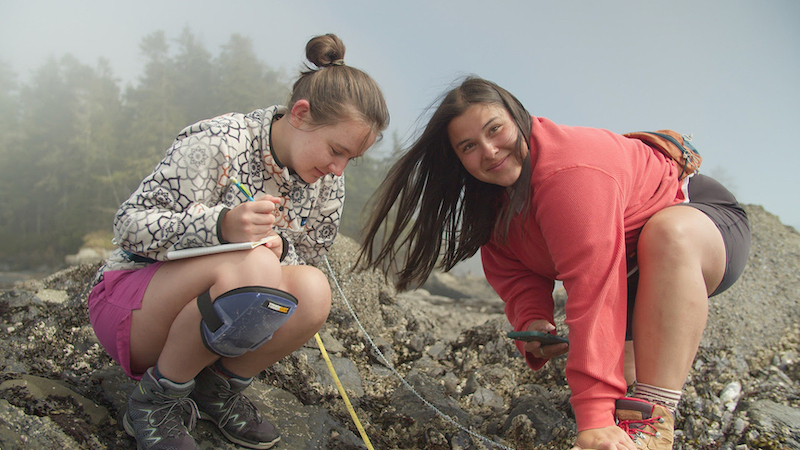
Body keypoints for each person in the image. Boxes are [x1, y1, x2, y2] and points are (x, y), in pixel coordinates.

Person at [358, 76, 749, 450]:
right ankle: (635, 415)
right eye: (468, 146)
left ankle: (655, 422)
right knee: (624, 395)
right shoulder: (491, 198)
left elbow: (594, 287)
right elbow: (514, 269)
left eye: (495, 130)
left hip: (697, 225)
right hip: (632, 274)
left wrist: (593, 419)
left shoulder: (569, 173)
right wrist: (532, 320)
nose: (489, 151)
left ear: (519, 116)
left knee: (666, 239)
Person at [87, 33, 389, 450]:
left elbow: (310, 260)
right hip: (133, 310)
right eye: (336, 150)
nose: (338, 170)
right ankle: (155, 403)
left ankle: (216, 389)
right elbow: (129, 225)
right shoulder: (220, 140)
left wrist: (285, 248)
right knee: (255, 267)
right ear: (300, 114)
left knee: (314, 292)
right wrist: (223, 226)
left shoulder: (326, 184)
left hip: (208, 328)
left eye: (350, 160)